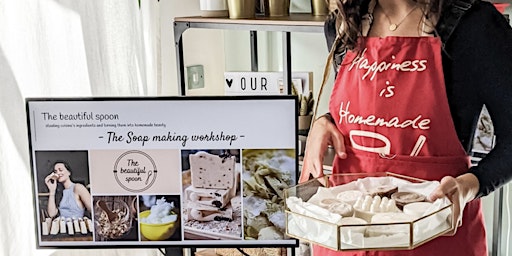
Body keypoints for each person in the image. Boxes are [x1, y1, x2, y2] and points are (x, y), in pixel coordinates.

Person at [299, 0, 512, 255]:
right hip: (349, 238)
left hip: (437, 236)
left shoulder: (475, 26)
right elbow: (366, 109)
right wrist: (326, 121)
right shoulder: (342, 25)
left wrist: (469, 185)